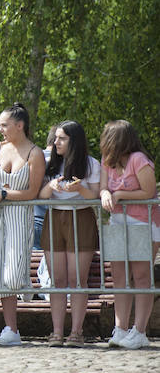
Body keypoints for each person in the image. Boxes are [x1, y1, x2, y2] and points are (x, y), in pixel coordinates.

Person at [0, 103, 45, 346]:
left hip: (18, 213)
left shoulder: (34, 153)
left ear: (20, 125)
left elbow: (32, 192)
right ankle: (11, 328)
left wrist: (4, 195)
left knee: (14, 270)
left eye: (4, 125)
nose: (0, 129)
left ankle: (12, 327)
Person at [37, 120, 100, 348]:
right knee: (58, 280)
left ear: (74, 141)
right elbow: (41, 196)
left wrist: (80, 188)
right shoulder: (49, 163)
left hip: (81, 217)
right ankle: (56, 331)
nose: (56, 142)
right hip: (54, 218)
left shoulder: (91, 164)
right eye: (56, 138)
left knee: (77, 279)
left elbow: (95, 196)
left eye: (61, 138)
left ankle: (76, 331)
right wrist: (50, 187)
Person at [99, 120, 160, 350]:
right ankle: (121, 328)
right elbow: (104, 187)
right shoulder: (108, 162)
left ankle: (140, 330)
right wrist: (105, 193)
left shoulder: (138, 160)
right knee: (120, 277)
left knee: (142, 276)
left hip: (143, 223)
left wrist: (121, 193)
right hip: (117, 222)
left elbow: (148, 191)